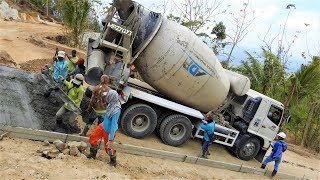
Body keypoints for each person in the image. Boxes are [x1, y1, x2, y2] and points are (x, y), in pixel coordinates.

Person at [87, 89, 121, 167]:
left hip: (109, 131)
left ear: (111, 98)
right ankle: (93, 154)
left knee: (108, 148)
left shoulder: (116, 110)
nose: (106, 98)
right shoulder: (111, 104)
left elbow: (114, 125)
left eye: (107, 96)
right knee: (93, 137)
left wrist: (111, 139)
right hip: (103, 125)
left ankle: (113, 161)